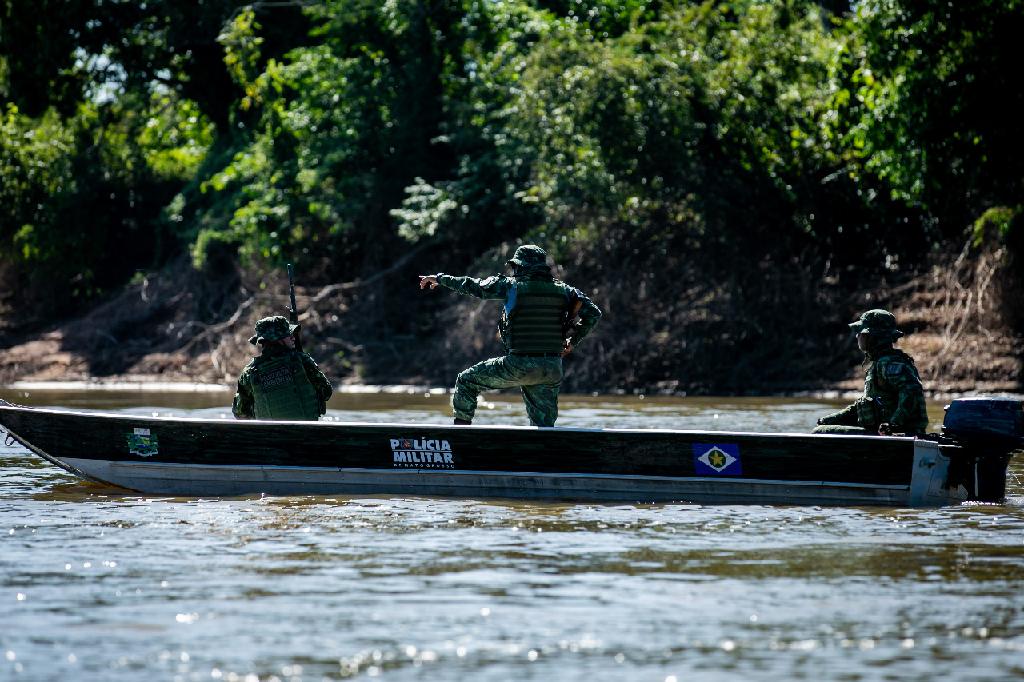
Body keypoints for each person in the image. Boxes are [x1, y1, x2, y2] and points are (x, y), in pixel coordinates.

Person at [419, 244, 602, 427]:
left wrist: (441, 279)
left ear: (520, 266)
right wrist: (573, 341)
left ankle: (460, 438)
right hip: (551, 369)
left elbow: (473, 286)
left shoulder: (509, 286)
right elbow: (594, 313)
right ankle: (545, 451)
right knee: (544, 427)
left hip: (519, 365)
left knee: (466, 381)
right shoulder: (566, 291)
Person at [814, 309, 929, 436]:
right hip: (888, 432)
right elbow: (860, 407)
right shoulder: (880, 363)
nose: (857, 336)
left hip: (899, 435)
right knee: (824, 427)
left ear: (872, 337)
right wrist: (829, 420)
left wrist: (894, 424)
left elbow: (912, 390)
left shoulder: (888, 363)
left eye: (860, 333)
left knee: (820, 432)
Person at [232, 315, 333, 421]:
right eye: (288, 335)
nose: (293, 337)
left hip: (269, 436)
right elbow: (326, 392)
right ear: (276, 339)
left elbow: (240, 413)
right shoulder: (301, 360)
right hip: (305, 434)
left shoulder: (249, 372)